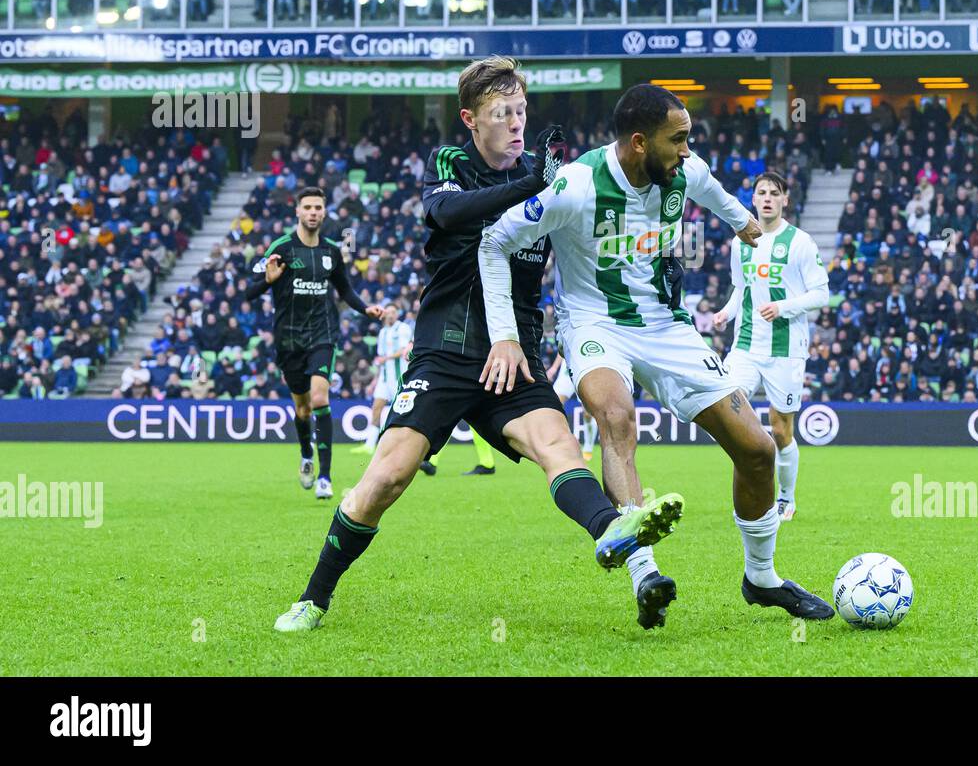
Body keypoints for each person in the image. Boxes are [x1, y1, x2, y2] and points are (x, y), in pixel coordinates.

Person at [273, 57, 683, 633]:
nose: (516, 124)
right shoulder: (453, 164)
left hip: (515, 353)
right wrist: (528, 184)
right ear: (470, 120)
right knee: (389, 476)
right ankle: (313, 599)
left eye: (520, 111)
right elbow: (442, 212)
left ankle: (629, 554)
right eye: (501, 114)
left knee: (560, 448)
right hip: (446, 350)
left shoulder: (552, 180)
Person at [479, 84, 835, 630]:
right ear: (640, 142)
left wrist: (743, 222)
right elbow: (494, 241)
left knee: (759, 450)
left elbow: (715, 192)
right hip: (596, 325)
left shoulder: (684, 172)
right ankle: (645, 572)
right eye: (680, 139)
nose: (688, 151)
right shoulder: (575, 186)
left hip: (670, 329)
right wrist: (504, 333)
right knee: (617, 419)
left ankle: (761, 578)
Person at [246, 187, 385, 499]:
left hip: (322, 335)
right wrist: (267, 281)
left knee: (320, 399)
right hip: (288, 339)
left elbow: (345, 290)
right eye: (307, 207)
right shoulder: (281, 248)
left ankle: (325, 477)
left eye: (318, 207)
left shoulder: (332, 251)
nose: (312, 212)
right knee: (303, 408)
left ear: (324, 212)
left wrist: (367, 309)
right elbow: (247, 292)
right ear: (297, 211)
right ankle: (306, 453)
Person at [713, 172, 829, 521]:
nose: (766, 198)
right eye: (761, 192)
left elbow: (821, 294)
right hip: (746, 344)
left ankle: (786, 498)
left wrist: (783, 307)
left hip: (786, 348)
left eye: (773, 193)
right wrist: (726, 312)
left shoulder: (801, 242)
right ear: (753, 199)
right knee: (728, 408)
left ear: (784, 200)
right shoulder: (741, 239)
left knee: (781, 430)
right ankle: (751, 481)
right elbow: (740, 287)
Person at [354, 304, 412, 456]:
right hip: (385, 378)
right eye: (389, 312)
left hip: (399, 376)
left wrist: (386, 358)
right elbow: (380, 360)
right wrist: (374, 381)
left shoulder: (403, 328)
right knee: (376, 408)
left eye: (394, 312)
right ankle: (369, 445)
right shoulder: (383, 332)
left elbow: (403, 350)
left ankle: (403, 445)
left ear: (397, 314)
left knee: (401, 411)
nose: (391, 315)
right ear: (384, 314)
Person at [548, 353, 599, 462]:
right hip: (567, 369)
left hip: (584, 368)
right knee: (554, 405)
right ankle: (562, 444)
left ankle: (588, 446)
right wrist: (554, 368)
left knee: (588, 413)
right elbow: (561, 347)